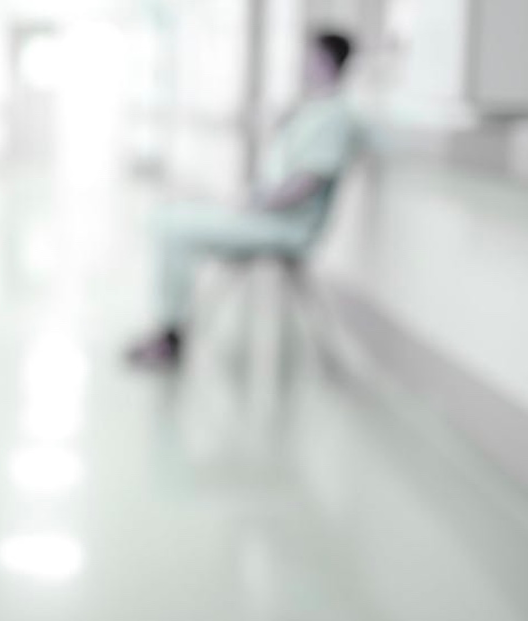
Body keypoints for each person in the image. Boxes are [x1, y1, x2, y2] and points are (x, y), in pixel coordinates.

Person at [126, 29, 360, 368]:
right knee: (168, 217)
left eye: (308, 56)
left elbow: (306, 183)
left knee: (171, 228)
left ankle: (169, 337)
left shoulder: (335, 117)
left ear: (325, 61)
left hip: (284, 226)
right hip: (265, 216)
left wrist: (253, 204)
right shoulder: (311, 109)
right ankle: (169, 330)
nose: (300, 64)